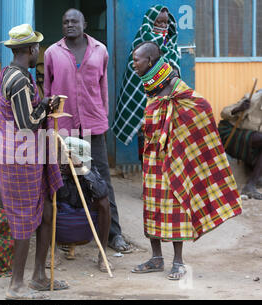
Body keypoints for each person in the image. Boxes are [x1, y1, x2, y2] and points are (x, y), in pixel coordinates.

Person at [130, 41, 242, 280]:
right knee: (152, 207)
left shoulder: (174, 85)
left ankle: (178, 261)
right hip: (152, 157)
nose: (134, 64)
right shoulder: (150, 84)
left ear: (149, 61)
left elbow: (201, 106)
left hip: (174, 157)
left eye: (137, 60)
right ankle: (156, 257)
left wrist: (180, 138)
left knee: (176, 206)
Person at [0, 24, 68, 300]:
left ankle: (39, 277)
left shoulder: (10, 74)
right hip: (20, 159)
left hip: (26, 155)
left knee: (45, 211)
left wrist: (42, 104)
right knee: (22, 221)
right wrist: (45, 105)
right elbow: (26, 124)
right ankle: (16, 285)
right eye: (37, 48)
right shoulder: (19, 80)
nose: (38, 52)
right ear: (31, 49)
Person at [44, 8, 131, 253]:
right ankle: (65, 234)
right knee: (64, 180)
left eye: (74, 21)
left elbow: (103, 88)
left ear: (85, 23)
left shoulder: (100, 51)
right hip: (64, 127)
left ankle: (114, 234)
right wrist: (52, 126)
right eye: (65, 21)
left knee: (102, 179)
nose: (69, 24)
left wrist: (102, 117)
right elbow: (48, 91)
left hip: (93, 124)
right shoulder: (52, 53)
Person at [112, 5, 180, 156]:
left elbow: (175, 68)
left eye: (165, 23)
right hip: (144, 98)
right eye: (158, 23)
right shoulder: (142, 39)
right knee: (145, 136)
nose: (162, 26)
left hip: (164, 98)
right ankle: (146, 168)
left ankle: (159, 171)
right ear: (150, 22)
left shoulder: (170, 42)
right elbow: (134, 68)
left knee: (163, 137)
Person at [55, 136, 112, 272]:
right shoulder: (56, 169)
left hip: (83, 218)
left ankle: (102, 254)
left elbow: (101, 191)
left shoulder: (87, 168)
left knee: (104, 202)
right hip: (62, 218)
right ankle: (52, 253)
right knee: (45, 204)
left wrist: (82, 169)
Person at [218, 90, 262, 199]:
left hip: (251, 139)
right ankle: (250, 185)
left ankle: (252, 182)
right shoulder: (253, 99)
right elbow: (224, 113)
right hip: (232, 133)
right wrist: (239, 108)